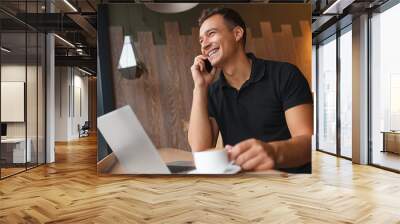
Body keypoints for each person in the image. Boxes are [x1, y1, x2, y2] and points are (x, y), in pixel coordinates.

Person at [187, 7, 313, 173]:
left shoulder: (285, 75)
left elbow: (308, 143)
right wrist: (200, 87)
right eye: (201, 40)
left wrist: (273, 152)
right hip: (243, 186)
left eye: (211, 34)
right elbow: (200, 149)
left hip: (291, 186)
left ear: (237, 33)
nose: (205, 45)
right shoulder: (212, 92)